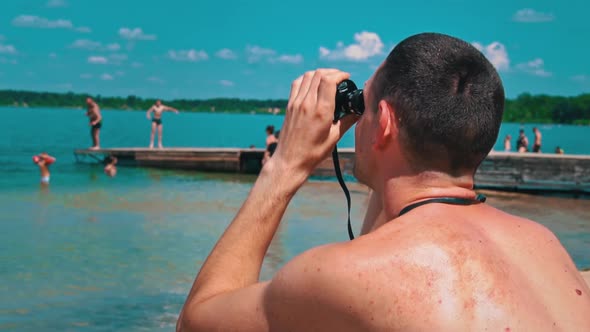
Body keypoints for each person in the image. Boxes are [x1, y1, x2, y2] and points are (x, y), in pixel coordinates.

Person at [176, 33, 590, 331]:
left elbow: (196, 321)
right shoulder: (547, 250)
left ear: (386, 122)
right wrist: (380, 128)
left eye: (365, 106)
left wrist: (284, 165)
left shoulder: (340, 276)